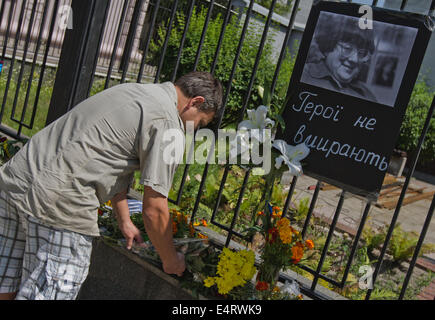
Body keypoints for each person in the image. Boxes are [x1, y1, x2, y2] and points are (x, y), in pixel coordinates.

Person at [0, 71, 223, 300]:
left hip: (17, 180)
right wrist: (170, 259)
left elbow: (108, 157)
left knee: (7, 278)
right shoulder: (168, 123)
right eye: (200, 123)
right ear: (195, 102)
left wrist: (124, 219)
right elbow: (154, 209)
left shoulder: (137, 91)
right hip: (61, 202)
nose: (193, 130)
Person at [301, 15, 377, 102]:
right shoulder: (304, 75)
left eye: (361, 53)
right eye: (347, 49)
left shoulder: (367, 96)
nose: (354, 59)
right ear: (329, 45)